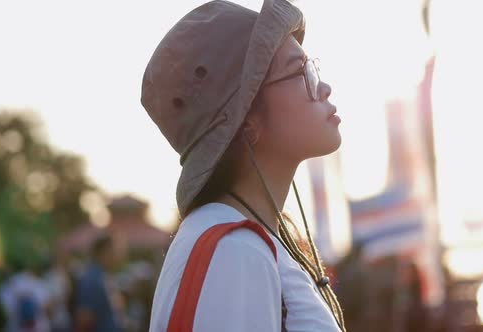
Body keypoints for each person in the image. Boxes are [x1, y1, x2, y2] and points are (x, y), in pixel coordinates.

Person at [141, 1, 346, 331]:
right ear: (246, 119)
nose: (323, 87)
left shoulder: (241, 240)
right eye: (301, 71)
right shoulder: (233, 250)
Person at [74, 234, 124, 332]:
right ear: (105, 251)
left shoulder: (105, 276)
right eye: (115, 250)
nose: (118, 254)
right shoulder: (91, 279)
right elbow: (85, 317)